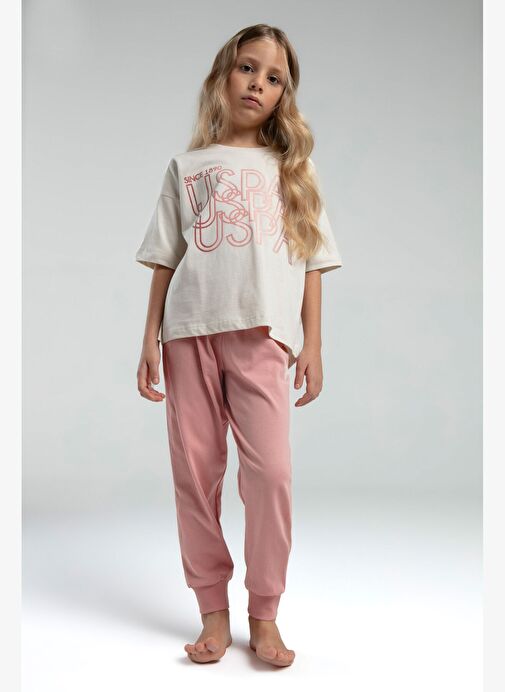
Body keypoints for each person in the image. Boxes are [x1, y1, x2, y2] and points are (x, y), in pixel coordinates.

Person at [135, 23, 343, 668]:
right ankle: (212, 611)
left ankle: (265, 612)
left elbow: (312, 262)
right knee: (196, 476)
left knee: (271, 475)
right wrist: (149, 336)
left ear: (283, 96)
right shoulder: (187, 167)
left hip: (263, 337)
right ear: (223, 76)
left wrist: (313, 343)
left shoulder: (293, 170)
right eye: (247, 68)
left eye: (273, 77)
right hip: (189, 334)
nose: (257, 83)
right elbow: (165, 258)